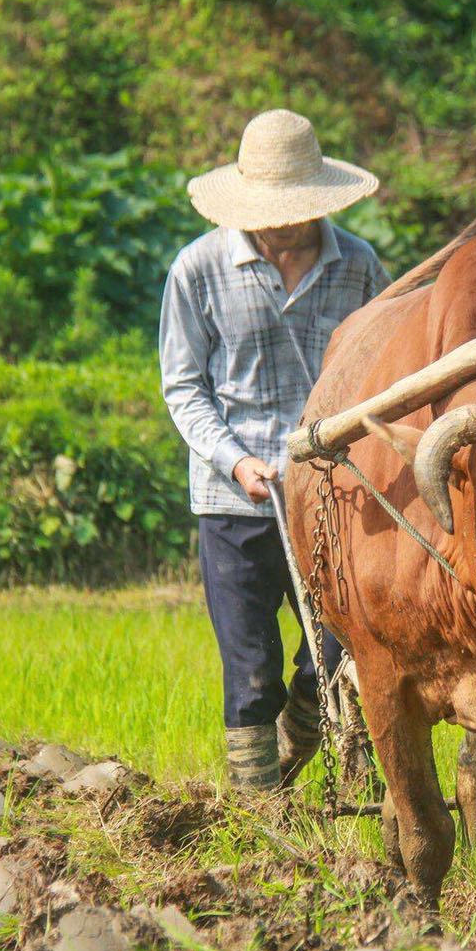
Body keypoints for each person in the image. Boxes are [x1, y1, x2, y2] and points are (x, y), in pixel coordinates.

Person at [159, 109, 390, 790]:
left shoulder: (359, 269)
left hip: (334, 495)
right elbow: (183, 386)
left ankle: (291, 753)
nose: (282, 222)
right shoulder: (198, 270)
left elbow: (381, 375)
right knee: (251, 666)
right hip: (235, 498)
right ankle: (256, 815)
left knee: (338, 653)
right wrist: (235, 460)